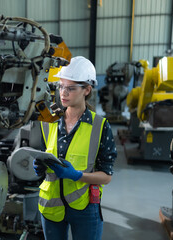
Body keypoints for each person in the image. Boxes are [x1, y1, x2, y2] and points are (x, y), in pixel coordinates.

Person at [33, 56, 117, 240]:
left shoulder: (100, 126)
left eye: (70, 88)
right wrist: (39, 167)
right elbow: (42, 155)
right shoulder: (49, 119)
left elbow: (107, 176)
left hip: (84, 207)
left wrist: (78, 175)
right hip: (51, 205)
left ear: (87, 89)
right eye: (61, 86)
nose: (63, 93)